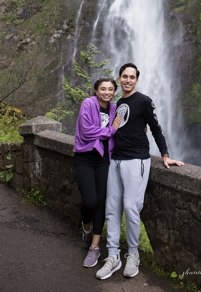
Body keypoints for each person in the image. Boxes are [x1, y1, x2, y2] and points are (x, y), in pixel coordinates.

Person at [95, 63, 184, 280]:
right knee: (112, 209)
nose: (127, 80)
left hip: (137, 160)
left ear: (137, 79)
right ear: (120, 78)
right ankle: (113, 255)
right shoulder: (118, 103)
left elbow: (155, 128)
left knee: (131, 207)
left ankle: (133, 254)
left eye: (131, 77)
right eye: (124, 76)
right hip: (116, 160)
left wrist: (164, 155)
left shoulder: (144, 101)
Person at [73, 78, 120, 268]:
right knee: (89, 201)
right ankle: (86, 226)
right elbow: (87, 131)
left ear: (114, 92)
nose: (107, 92)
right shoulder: (88, 103)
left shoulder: (115, 109)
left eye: (110, 89)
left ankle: (94, 247)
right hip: (85, 157)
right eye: (103, 89)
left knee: (101, 202)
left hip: (104, 160)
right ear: (96, 90)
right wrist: (111, 130)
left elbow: (124, 128)